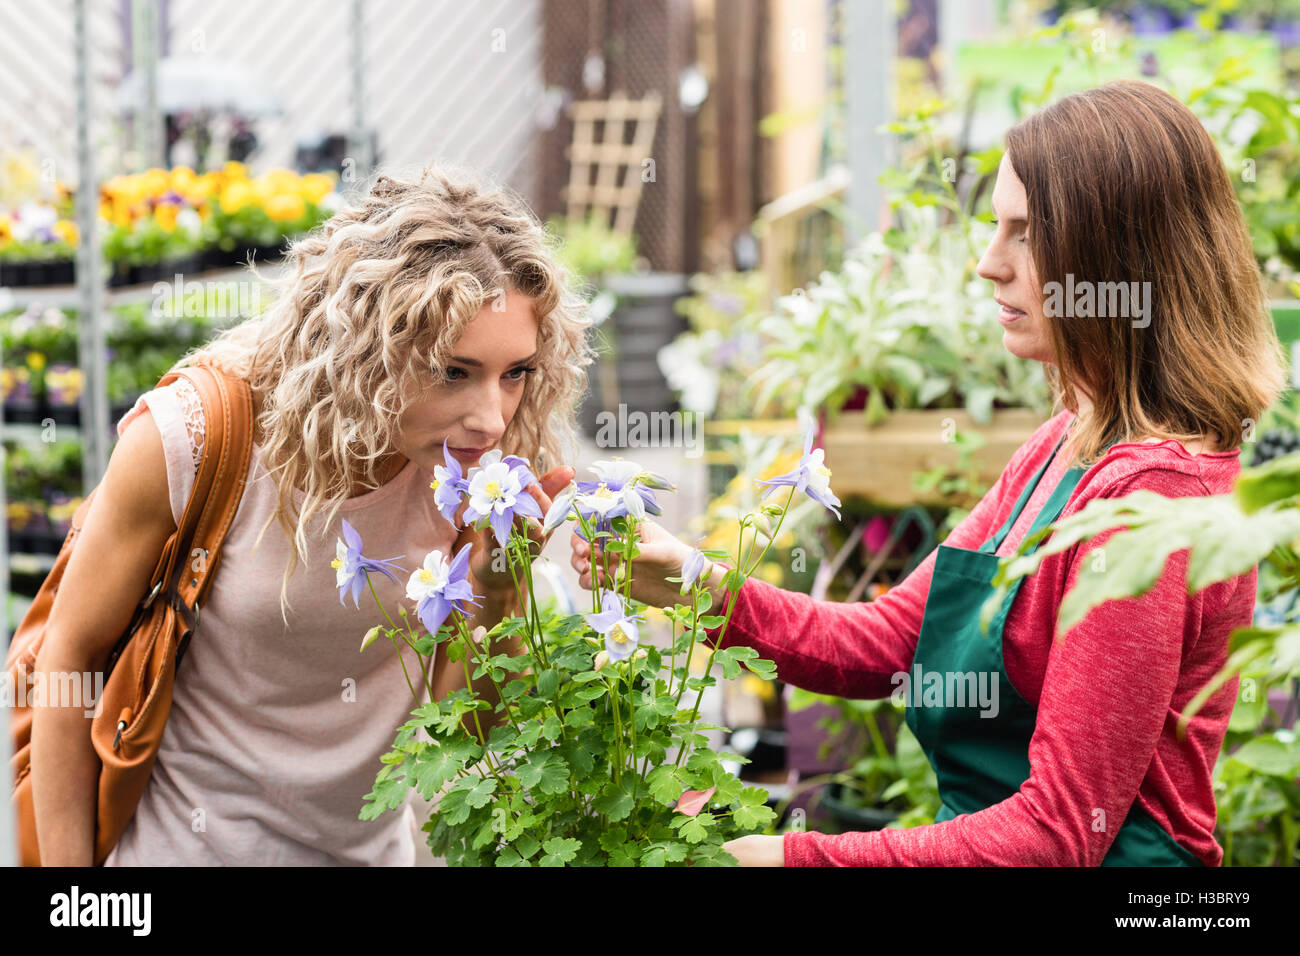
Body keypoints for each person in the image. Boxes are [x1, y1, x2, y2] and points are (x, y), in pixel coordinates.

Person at [571, 79, 1288, 866]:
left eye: (1025, 234)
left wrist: (789, 859)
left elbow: (1054, 837)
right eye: (993, 229)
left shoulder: (1154, 505)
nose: (989, 265)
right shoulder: (1064, 448)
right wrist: (691, 580)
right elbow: (885, 643)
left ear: (1115, 258)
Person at [31, 165, 590, 865]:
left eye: (516, 373)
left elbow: (464, 730)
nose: (491, 417)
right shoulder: (196, 435)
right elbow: (69, 657)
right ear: (369, 348)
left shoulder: (474, 472)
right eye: (454, 371)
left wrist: (496, 583)